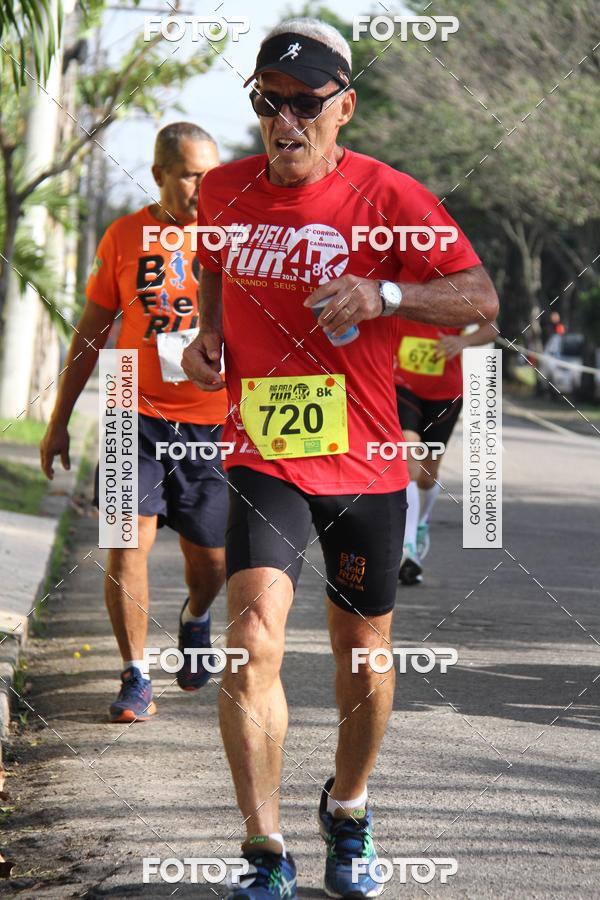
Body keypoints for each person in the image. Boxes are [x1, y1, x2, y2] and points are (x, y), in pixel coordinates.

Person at [182, 18, 498, 899]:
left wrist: (386, 289)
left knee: (364, 657)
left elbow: (480, 296)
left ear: (344, 106)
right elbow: (213, 263)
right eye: (268, 104)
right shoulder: (224, 192)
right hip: (262, 456)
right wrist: (208, 334)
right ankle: (265, 851)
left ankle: (349, 811)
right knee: (252, 642)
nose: (285, 122)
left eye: (305, 106)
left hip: (363, 463)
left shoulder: (392, 197)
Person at [40, 123, 228, 723]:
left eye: (210, 173)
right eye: (190, 174)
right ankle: (136, 674)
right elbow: (92, 333)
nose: (202, 186)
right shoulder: (125, 237)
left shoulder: (233, 238)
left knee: (213, 563)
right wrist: (59, 418)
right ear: (159, 175)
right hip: (130, 409)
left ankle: (196, 616)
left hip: (212, 422)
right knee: (126, 546)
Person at [396, 320, 498, 585]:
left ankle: (421, 525)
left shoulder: (455, 286)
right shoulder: (397, 280)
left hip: (446, 392)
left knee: (428, 475)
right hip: (402, 384)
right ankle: (408, 551)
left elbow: (491, 326)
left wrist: (462, 342)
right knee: (409, 464)